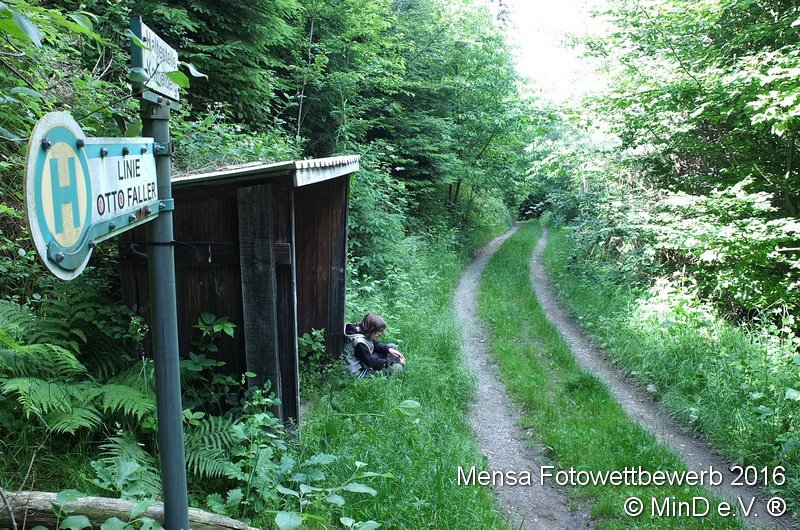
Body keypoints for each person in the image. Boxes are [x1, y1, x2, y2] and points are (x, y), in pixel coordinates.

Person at [344, 313, 406, 379]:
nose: (380, 334)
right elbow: (373, 363)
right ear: (370, 329)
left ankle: (393, 360)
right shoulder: (359, 344)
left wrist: (388, 349)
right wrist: (394, 360)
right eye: (378, 331)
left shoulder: (360, 330)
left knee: (392, 347)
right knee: (397, 368)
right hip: (361, 371)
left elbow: (374, 344)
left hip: (365, 362)